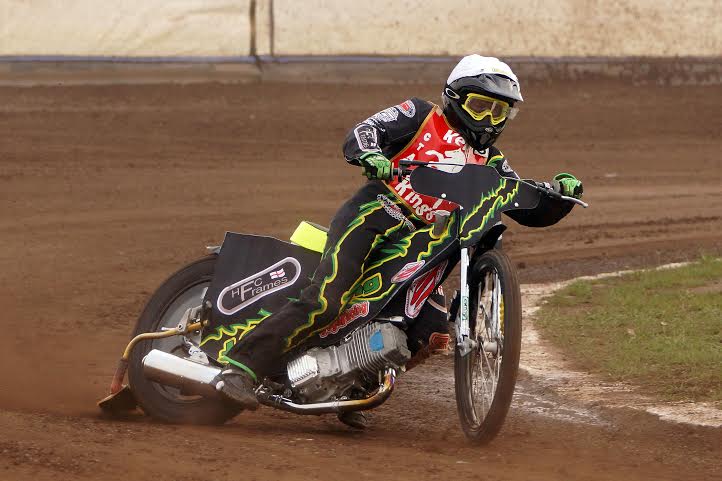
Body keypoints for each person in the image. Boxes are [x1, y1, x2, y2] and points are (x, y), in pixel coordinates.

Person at [217, 55, 584, 419]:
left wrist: (558, 196)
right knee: (327, 300)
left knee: (432, 332)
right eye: (480, 106)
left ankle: (351, 383)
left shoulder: (491, 162)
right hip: (375, 214)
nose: (489, 119)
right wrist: (371, 155)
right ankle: (241, 367)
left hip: (421, 245)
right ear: (454, 98)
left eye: (499, 111)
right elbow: (365, 131)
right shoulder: (420, 115)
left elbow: (524, 205)